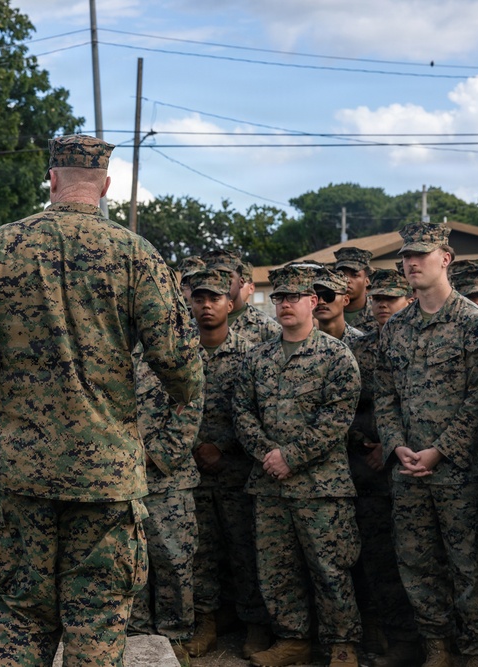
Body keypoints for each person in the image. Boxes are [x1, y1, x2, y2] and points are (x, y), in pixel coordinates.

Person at [0, 134, 201, 666]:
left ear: (52, 179)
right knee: (98, 616)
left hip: (22, 470)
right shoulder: (135, 252)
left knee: (18, 614)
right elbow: (178, 360)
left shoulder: (3, 246)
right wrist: (176, 398)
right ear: (104, 186)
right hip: (106, 472)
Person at [375, 222, 478, 667]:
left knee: (469, 564)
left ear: (445, 258)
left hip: (460, 473)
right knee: (416, 564)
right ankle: (437, 648)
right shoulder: (396, 328)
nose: (411, 263)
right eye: (406, 256)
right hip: (408, 471)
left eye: (421, 255)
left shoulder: (474, 324)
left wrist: (441, 449)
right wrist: (396, 446)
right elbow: (385, 395)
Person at [233, 264, 363, 667]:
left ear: (314, 302)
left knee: (331, 568)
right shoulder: (258, 357)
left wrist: (290, 456)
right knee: (277, 569)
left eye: (294, 298)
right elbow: (242, 413)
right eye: (280, 298)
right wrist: (268, 454)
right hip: (270, 484)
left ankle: (342, 645)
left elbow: (335, 420)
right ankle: (293, 639)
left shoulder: (337, 356)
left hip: (321, 487)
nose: (285, 304)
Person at [183, 268, 269, 661]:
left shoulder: (251, 355)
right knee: (200, 550)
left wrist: (223, 447)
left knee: (244, 547)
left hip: (236, 470)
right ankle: (206, 622)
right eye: (199, 299)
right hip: (190, 469)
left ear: (230, 304)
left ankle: (254, 623)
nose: (205, 306)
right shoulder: (179, 353)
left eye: (214, 298)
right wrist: (195, 447)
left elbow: (258, 412)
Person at [346, 268, 419, 667]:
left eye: (392, 298)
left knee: (420, 561)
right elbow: (346, 408)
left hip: (415, 467)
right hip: (370, 474)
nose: (383, 306)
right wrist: (367, 443)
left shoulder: (417, 342)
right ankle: (394, 638)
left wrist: (392, 446)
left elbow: (429, 404)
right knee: (377, 561)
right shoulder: (359, 348)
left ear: (408, 298)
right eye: (377, 299)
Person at [128, 336, 204, 666]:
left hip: (168, 480)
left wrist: (150, 456)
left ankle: (176, 637)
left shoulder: (179, 350)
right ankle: (137, 637)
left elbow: (190, 411)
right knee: (130, 563)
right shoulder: (108, 346)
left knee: (174, 562)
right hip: (121, 480)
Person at [204, 250, 281, 345]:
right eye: (214, 277)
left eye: (228, 276)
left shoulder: (265, 327)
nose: (220, 282)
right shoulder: (192, 328)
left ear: (241, 282)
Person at [313, 267, 363, 343]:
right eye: (316, 297)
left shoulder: (361, 343)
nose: (321, 301)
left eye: (329, 295)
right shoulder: (303, 342)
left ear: (345, 300)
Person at [334, 247, 378, 334]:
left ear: (367, 280)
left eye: (354, 275)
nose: (347, 280)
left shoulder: (379, 313)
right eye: (341, 275)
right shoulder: (326, 314)